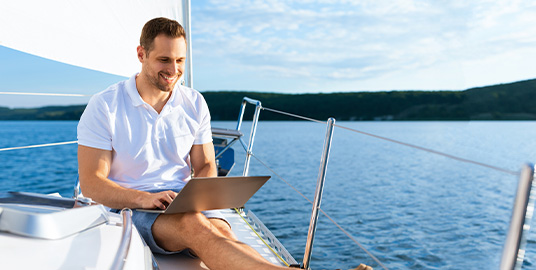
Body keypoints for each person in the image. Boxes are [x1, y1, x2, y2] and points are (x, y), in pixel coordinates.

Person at [77, 17, 289, 270]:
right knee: (193, 225)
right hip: (127, 208)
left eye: (180, 61)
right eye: (164, 60)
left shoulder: (194, 102)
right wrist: (144, 198)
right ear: (141, 54)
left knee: (222, 229)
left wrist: (197, 195)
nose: (174, 70)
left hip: (181, 199)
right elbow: (92, 184)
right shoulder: (105, 105)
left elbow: (207, 163)